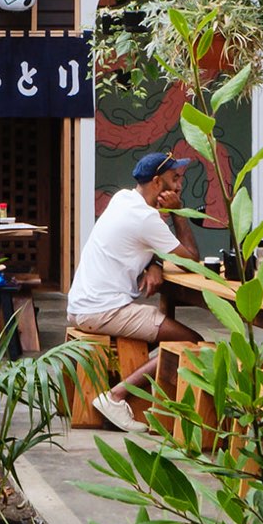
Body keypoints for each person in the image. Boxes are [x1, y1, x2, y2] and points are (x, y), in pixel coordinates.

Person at [68, 150, 202, 430]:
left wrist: (153, 263)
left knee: (160, 339)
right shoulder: (147, 218)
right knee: (190, 342)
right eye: (174, 178)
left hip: (83, 305)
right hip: (103, 310)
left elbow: (142, 244)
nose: (179, 186)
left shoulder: (123, 199)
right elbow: (191, 260)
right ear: (157, 182)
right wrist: (178, 212)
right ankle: (115, 396)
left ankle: (120, 385)